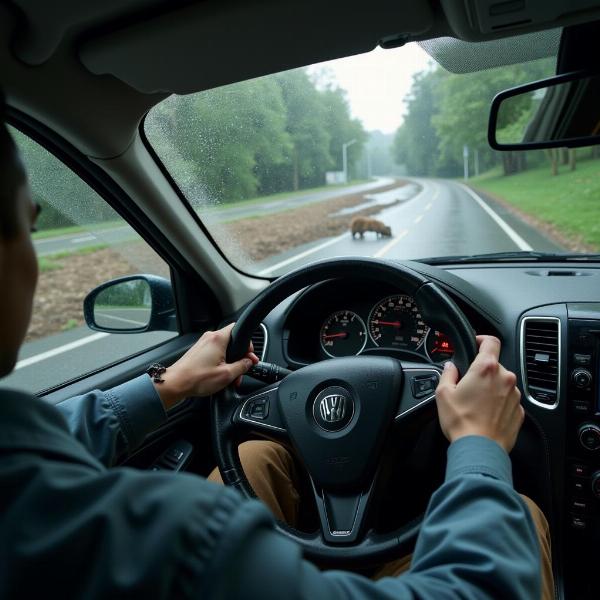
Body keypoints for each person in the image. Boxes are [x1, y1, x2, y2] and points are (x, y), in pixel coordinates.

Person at [0, 95, 553, 598]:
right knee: (521, 515)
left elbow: (50, 435)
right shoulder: (178, 546)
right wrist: (479, 447)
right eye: (30, 227)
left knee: (256, 455)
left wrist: (169, 386)